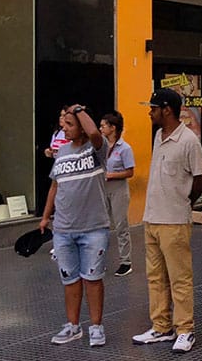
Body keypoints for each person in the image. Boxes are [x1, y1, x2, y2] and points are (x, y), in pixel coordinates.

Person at [132, 89, 202, 353]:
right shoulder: (158, 136)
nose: (150, 111)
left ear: (167, 109)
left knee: (179, 278)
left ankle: (185, 330)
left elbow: (201, 176)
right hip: (152, 217)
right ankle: (161, 326)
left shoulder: (188, 140)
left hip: (174, 220)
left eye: (153, 107)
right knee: (155, 277)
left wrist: (186, 201)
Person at [39, 104, 110, 346]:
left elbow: (94, 133)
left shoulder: (97, 149)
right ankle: (73, 326)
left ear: (81, 126)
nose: (64, 128)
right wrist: (46, 217)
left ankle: (97, 327)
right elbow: (55, 186)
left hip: (93, 228)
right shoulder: (62, 152)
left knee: (93, 279)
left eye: (69, 125)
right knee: (69, 280)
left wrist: (78, 110)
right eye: (63, 124)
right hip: (63, 229)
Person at [100, 111, 135, 276]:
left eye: (103, 125)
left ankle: (125, 261)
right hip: (103, 188)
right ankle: (99, 260)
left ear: (113, 128)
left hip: (118, 188)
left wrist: (112, 175)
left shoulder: (124, 148)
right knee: (101, 225)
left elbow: (130, 172)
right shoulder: (101, 146)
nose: (100, 128)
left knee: (121, 225)